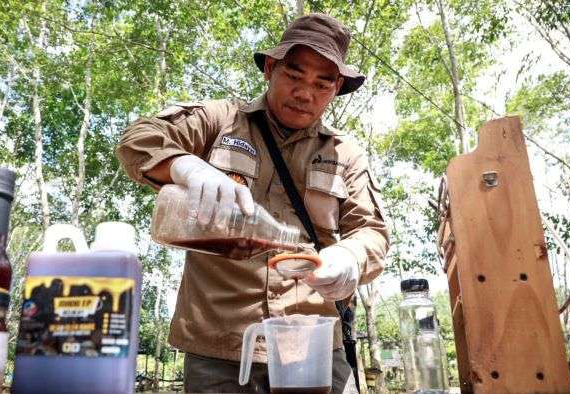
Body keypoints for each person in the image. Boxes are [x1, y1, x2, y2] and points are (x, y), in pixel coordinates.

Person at [117, 13, 389, 394]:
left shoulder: (346, 153)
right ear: (271, 69)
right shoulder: (220, 122)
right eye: (294, 75)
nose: (305, 93)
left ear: (336, 86)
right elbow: (138, 138)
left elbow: (371, 232)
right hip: (220, 350)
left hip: (312, 349)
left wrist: (351, 258)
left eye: (322, 83)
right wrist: (187, 167)